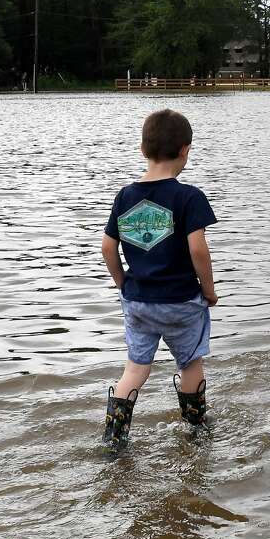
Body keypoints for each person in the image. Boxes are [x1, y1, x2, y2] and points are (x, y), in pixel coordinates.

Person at [100, 109, 218, 450]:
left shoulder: (125, 196)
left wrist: (123, 283)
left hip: (138, 301)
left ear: (142, 149)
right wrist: (208, 291)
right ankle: (196, 430)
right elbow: (198, 250)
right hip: (181, 300)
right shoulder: (188, 197)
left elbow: (108, 247)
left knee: (135, 368)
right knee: (191, 362)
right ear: (185, 150)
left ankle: (115, 437)